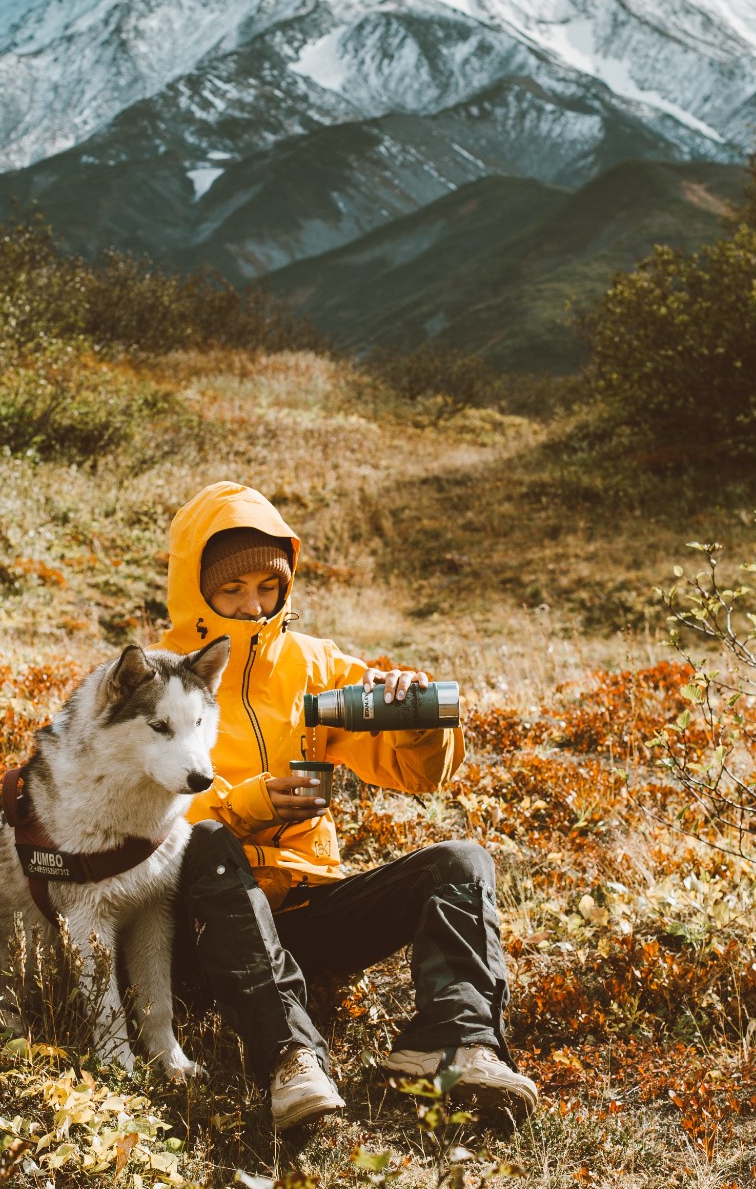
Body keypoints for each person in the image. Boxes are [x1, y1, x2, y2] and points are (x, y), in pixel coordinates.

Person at [157, 482, 538, 1132]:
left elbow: (421, 776)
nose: (253, 604)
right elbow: (129, 822)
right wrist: (238, 807)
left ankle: (454, 1045)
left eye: (268, 587)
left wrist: (417, 720)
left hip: (304, 914)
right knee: (209, 843)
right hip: (194, 932)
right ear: (197, 590)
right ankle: (290, 1060)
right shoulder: (155, 679)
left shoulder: (314, 666)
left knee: (459, 861)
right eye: (232, 589)